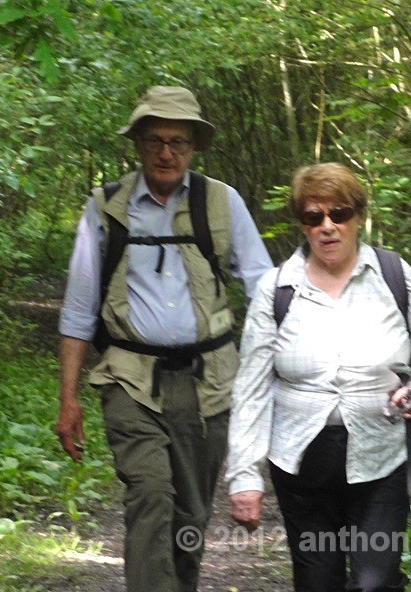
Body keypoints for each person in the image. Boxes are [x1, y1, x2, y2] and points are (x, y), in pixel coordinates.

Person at [56, 85, 273, 592]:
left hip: (209, 382)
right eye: (155, 139)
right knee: (150, 494)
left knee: (190, 518)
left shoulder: (221, 202)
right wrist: (68, 399)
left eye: (178, 140)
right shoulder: (106, 209)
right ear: (137, 144)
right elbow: (78, 311)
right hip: (129, 380)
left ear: (194, 146)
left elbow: (264, 288)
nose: (166, 152)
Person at [226, 162, 411, 592]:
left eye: (340, 214)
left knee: (375, 582)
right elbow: (252, 389)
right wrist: (245, 476)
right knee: (317, 582)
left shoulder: (394, 276)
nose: (328, 227)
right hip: (300, 462)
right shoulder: (276, 288)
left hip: (382, 455)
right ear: (301, 223)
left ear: (359, 217)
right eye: (314, 217)